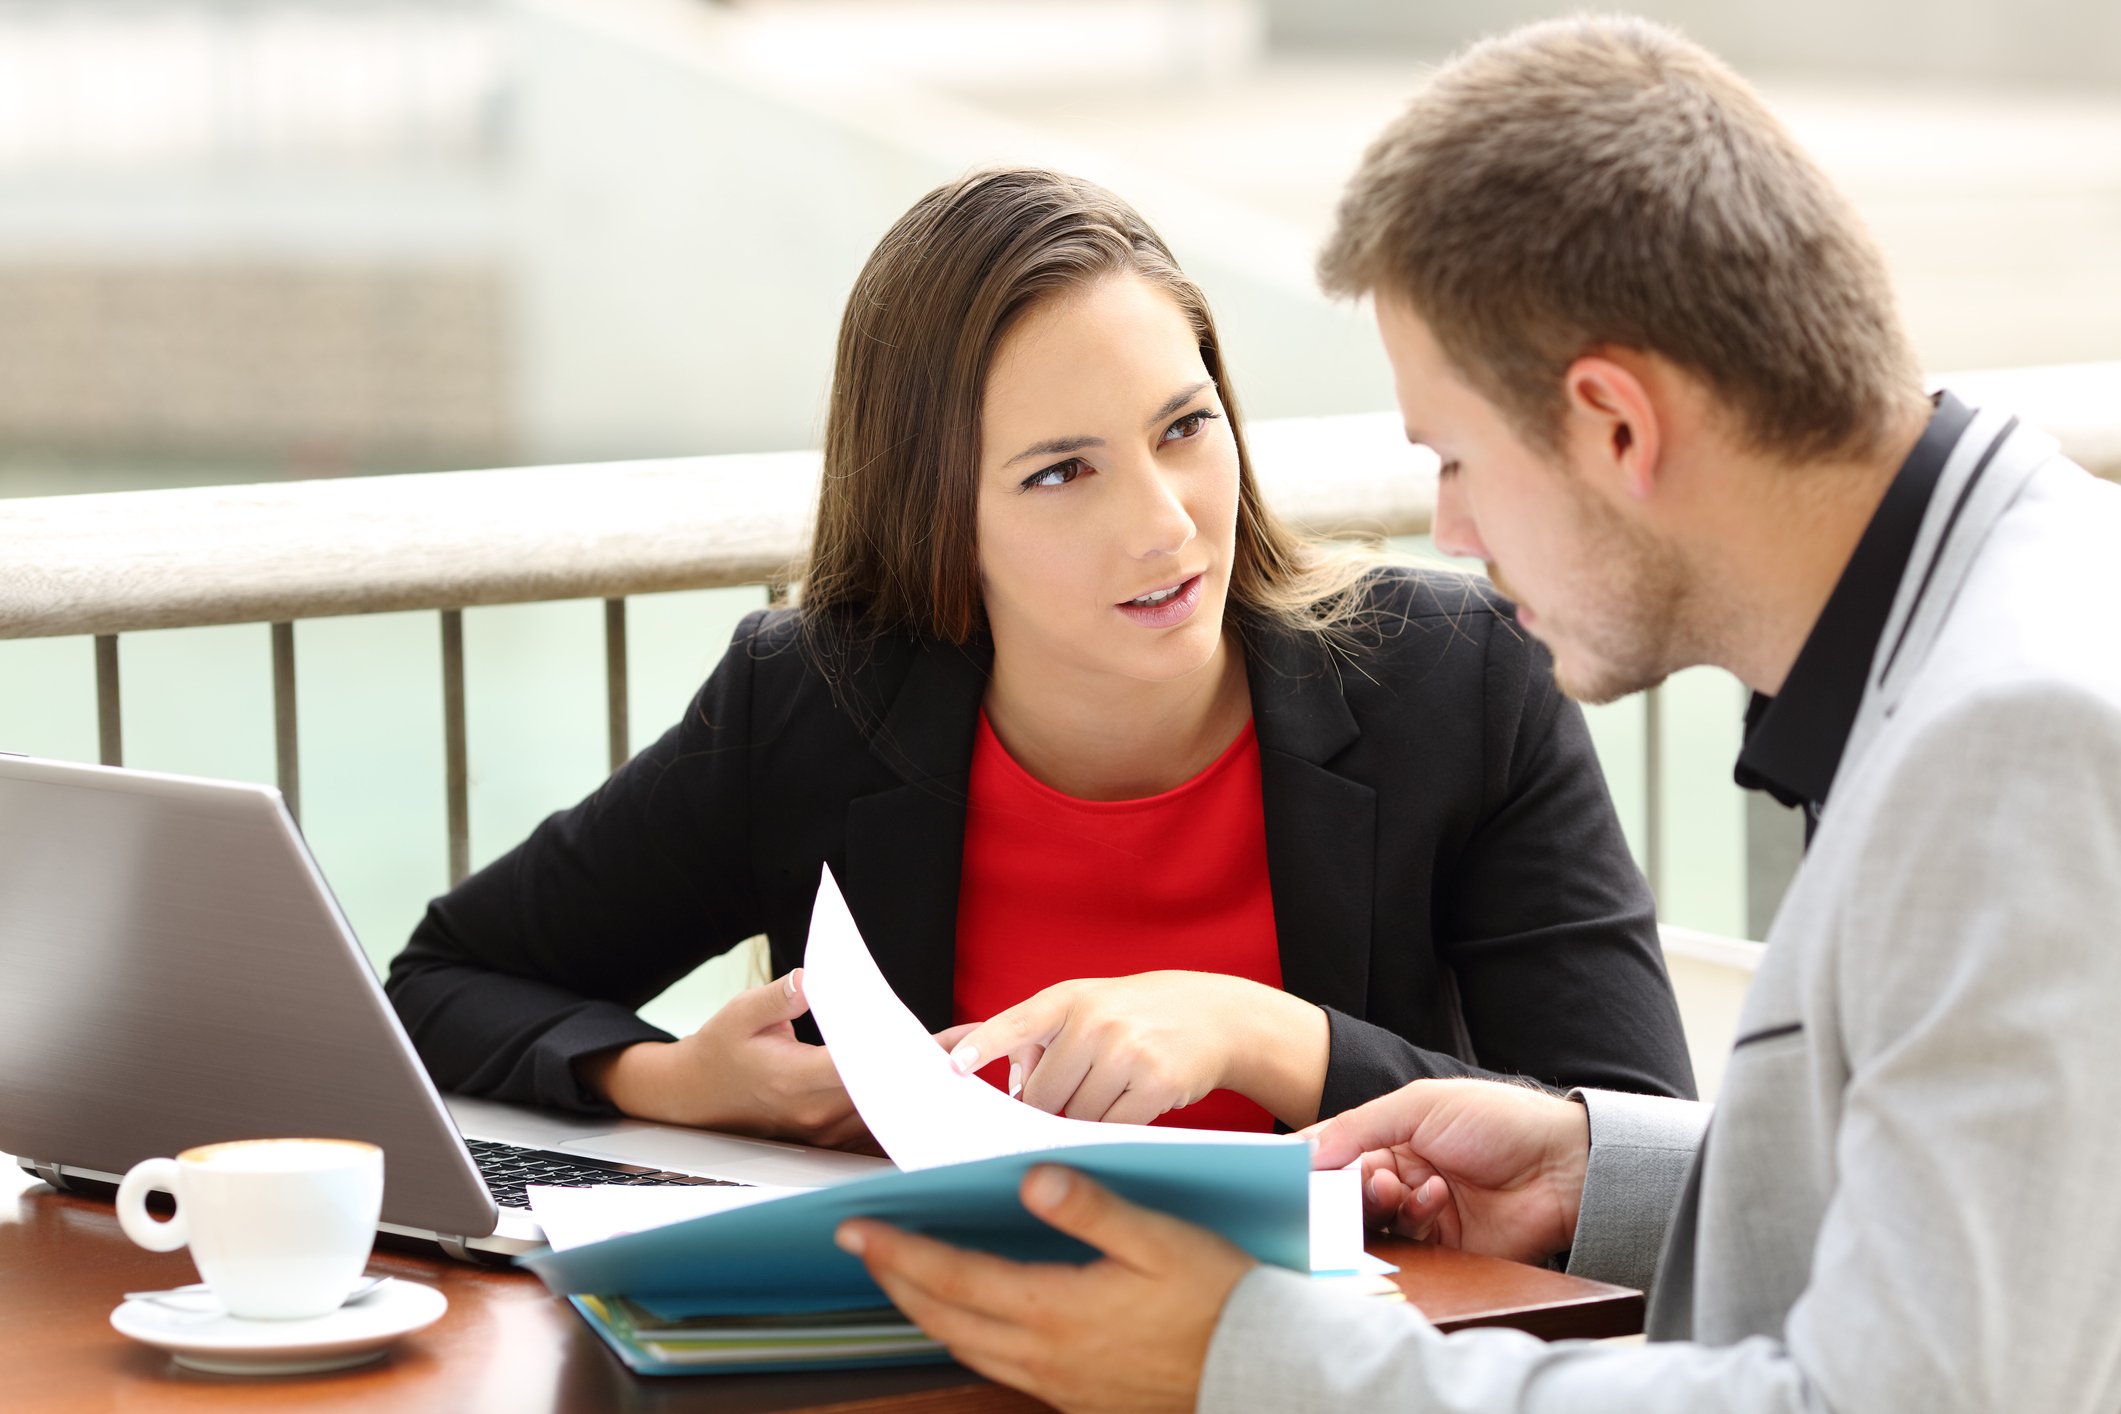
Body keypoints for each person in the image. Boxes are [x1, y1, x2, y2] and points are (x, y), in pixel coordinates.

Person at [833, 18, 2121, 1413]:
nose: (1449, 527)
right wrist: (1595, 1170)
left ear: (1612, 425)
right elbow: (1997, 1212)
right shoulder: (2019, 607)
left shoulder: (2009, 746)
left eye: (1455, 457)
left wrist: (1247, 1363)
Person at [384, 168, 1695, 1150]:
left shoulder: (1453, 682)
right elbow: (441, 981)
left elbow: (1641, 1152)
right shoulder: (813, 700)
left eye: (1182, 427)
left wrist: (1263, 1035)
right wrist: (670, 1078)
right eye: (1060, 471)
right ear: (939, 519)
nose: (1163, 521)